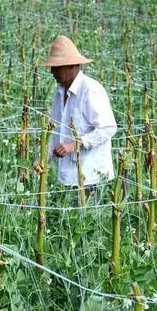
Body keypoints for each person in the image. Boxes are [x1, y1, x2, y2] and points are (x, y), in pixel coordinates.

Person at [35, 35, 117, 195]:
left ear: (71, 65)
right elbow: (56, 133)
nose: (52, 72)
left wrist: (75, 144)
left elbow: (108, 128)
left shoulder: (91, 90)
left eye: (56, 67)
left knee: (89, 218)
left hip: (92, 177)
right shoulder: (59, 93)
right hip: (67, 178)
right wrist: (43, 158)